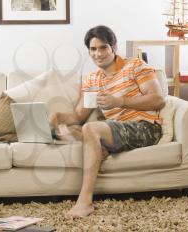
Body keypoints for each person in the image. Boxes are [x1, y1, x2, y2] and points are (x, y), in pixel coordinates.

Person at [49, 25, 165, 218]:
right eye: (93, 49)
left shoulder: (136, 66)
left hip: (144, 127)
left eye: (103, 48)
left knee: (91, 129)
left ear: (113, 47)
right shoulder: (92, 79)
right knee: (71, 129)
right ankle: (101, 149)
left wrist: (120, 101)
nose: (98, 54)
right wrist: (57, 117)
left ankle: (85, 202)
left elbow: (158, 99)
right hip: (115, 130)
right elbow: (79, 115)